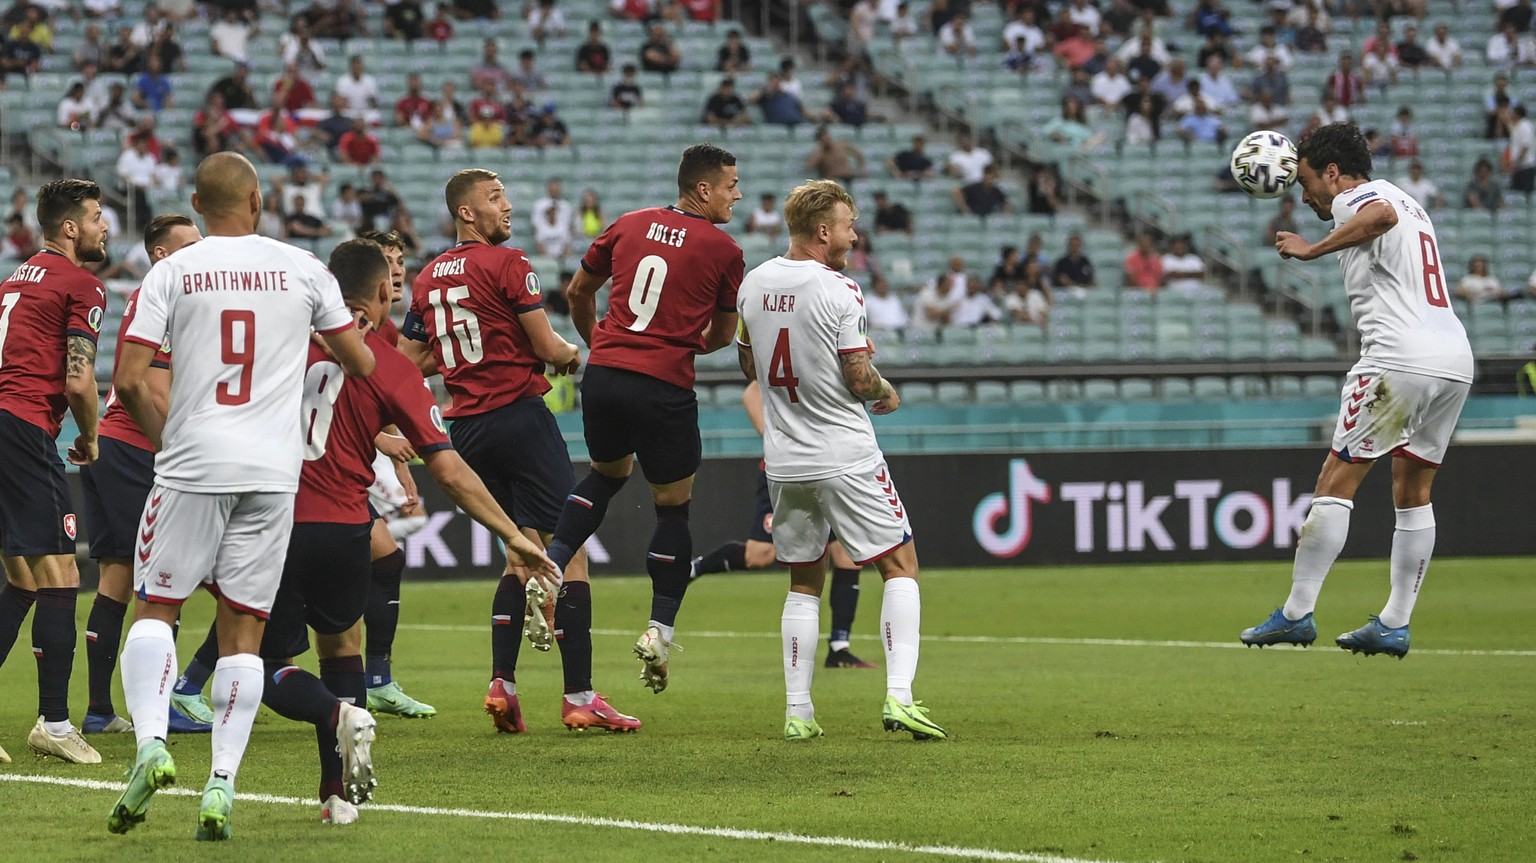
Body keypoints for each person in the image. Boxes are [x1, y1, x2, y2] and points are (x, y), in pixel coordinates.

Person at [106, 152, 376, 840]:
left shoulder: (171, 270)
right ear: (258, 201)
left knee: (156, 604)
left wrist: (169, 442)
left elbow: (131, 378)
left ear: (197, 205)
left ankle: (150, 746)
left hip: (195, 461)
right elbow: (362, 361)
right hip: (274, 472)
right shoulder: (305, 269)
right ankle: (221, 783)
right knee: (244, 633)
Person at [260, 240, 557, 824]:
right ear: (382, 292)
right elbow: (448, 470)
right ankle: (336, 798)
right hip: (349, 529)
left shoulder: (278, 341)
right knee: (341, 649)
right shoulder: (388, 365)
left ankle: (333, 714)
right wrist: (511, 533)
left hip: (272, 522)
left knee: (254, 662)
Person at [401, 169, 638, 733]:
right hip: (520, 419)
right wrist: (585, 354)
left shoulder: (428, 278)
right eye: (494, 197)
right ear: (466, 212)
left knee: (518, 553)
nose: (507, 207)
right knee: (571, 552)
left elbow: (411, 362)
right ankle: (579, 696)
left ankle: (502, 686)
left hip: (469, 432)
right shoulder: (510, 264)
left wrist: (470, 359)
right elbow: (548, 347)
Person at [1241, 123, 1473, 659]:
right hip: (1453, 360)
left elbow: (1376, 218)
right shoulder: (1409, 200)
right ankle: (1394, 622)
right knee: (1412, 489)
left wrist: (1310, 250)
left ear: (1332, 172)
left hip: (1399, 360)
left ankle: (1296, 614)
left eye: (1306, 183)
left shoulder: (1358, 197)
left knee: (1334, 480)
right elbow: (1390, 219)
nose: (1305, 197)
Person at [735, 178, 946, 742]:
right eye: (849, 226)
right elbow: (858, 378)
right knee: (900, 565)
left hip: (784, 460)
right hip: (845, 454)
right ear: (823, 231)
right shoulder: (840, 290)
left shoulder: (752, 285)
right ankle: (900, 698)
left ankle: (799, 713)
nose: (855, 235)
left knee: (804, 581)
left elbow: (747, 368)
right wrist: (884, 389)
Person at [548, 144, 744, 694]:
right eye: (731, 184)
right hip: (663, 386)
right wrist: (674, 344)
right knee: (673, 508)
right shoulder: (725, 250)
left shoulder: (628, 224)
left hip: (606, 376)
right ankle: (658, 631)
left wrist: (603, 346)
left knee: (606, 476)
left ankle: (552, 561)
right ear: (703, 190)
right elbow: (724, 337)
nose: (738, 194)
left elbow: (577, 292)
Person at [78, 214, 213, 738]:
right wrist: (180, 447)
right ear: (161, 254)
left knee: (115, 577)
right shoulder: (164, 295)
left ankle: (97, 709)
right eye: (190, 245)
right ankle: (163, 702)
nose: (201, 252)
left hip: (112, 446)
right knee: (167, 578)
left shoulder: (164, 296)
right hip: (139, 450)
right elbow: (154, 391)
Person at [0, 179, 110, 766]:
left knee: (20, 578)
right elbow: (77, 379)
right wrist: (88, 437)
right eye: (95, 218)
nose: (103, 227)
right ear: (70, 228)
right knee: (61, 572)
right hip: (22, 426)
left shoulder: (12, 281)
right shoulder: (81, 284)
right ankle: (56, 723)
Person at [689, 381, 876, 669]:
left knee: (847, 554)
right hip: (789, 467)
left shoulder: (838, 352)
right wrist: (772, 436)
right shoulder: (796, 344)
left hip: (836, 464)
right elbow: (753, 391)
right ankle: (692, 569)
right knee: (759, 555)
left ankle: (839, 648)